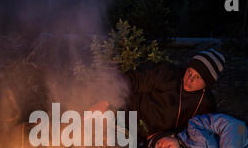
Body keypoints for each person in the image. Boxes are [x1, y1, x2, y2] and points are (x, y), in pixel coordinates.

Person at [93, 48, 225, 141]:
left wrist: (167, 136)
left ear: (207, 84)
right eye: (189, 72)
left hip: (149, 139)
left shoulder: (206, 105)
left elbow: (197, 133)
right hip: (125, 113)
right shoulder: (168, 74)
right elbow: (133, 80)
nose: (189, 79)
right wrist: (105, 100)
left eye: (197, 77)